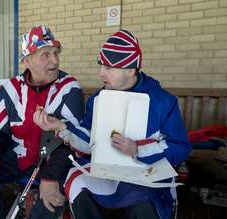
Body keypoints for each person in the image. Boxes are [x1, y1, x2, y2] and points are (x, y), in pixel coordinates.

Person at [33, 29, 192, 219]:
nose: (101, 74)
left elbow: (180, 147)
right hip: (106, 170)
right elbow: (90, 140)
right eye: (101, 66)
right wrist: (60, 126)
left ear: (130, 70)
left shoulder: (163, 101)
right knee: (78, 184)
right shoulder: (98, 99)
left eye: (108, 68)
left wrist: (137, 148)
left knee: (144, 201)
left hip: (145, 172)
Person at [0, 25, 85, 219]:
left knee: (50, 202)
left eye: (56, 53)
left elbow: (72, 142)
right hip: (18, 158)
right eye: (45, 54)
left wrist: (50, 176)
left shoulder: (68, 88)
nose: (54, 60)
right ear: (27, 60)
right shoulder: (12, 88)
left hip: (56, 161)